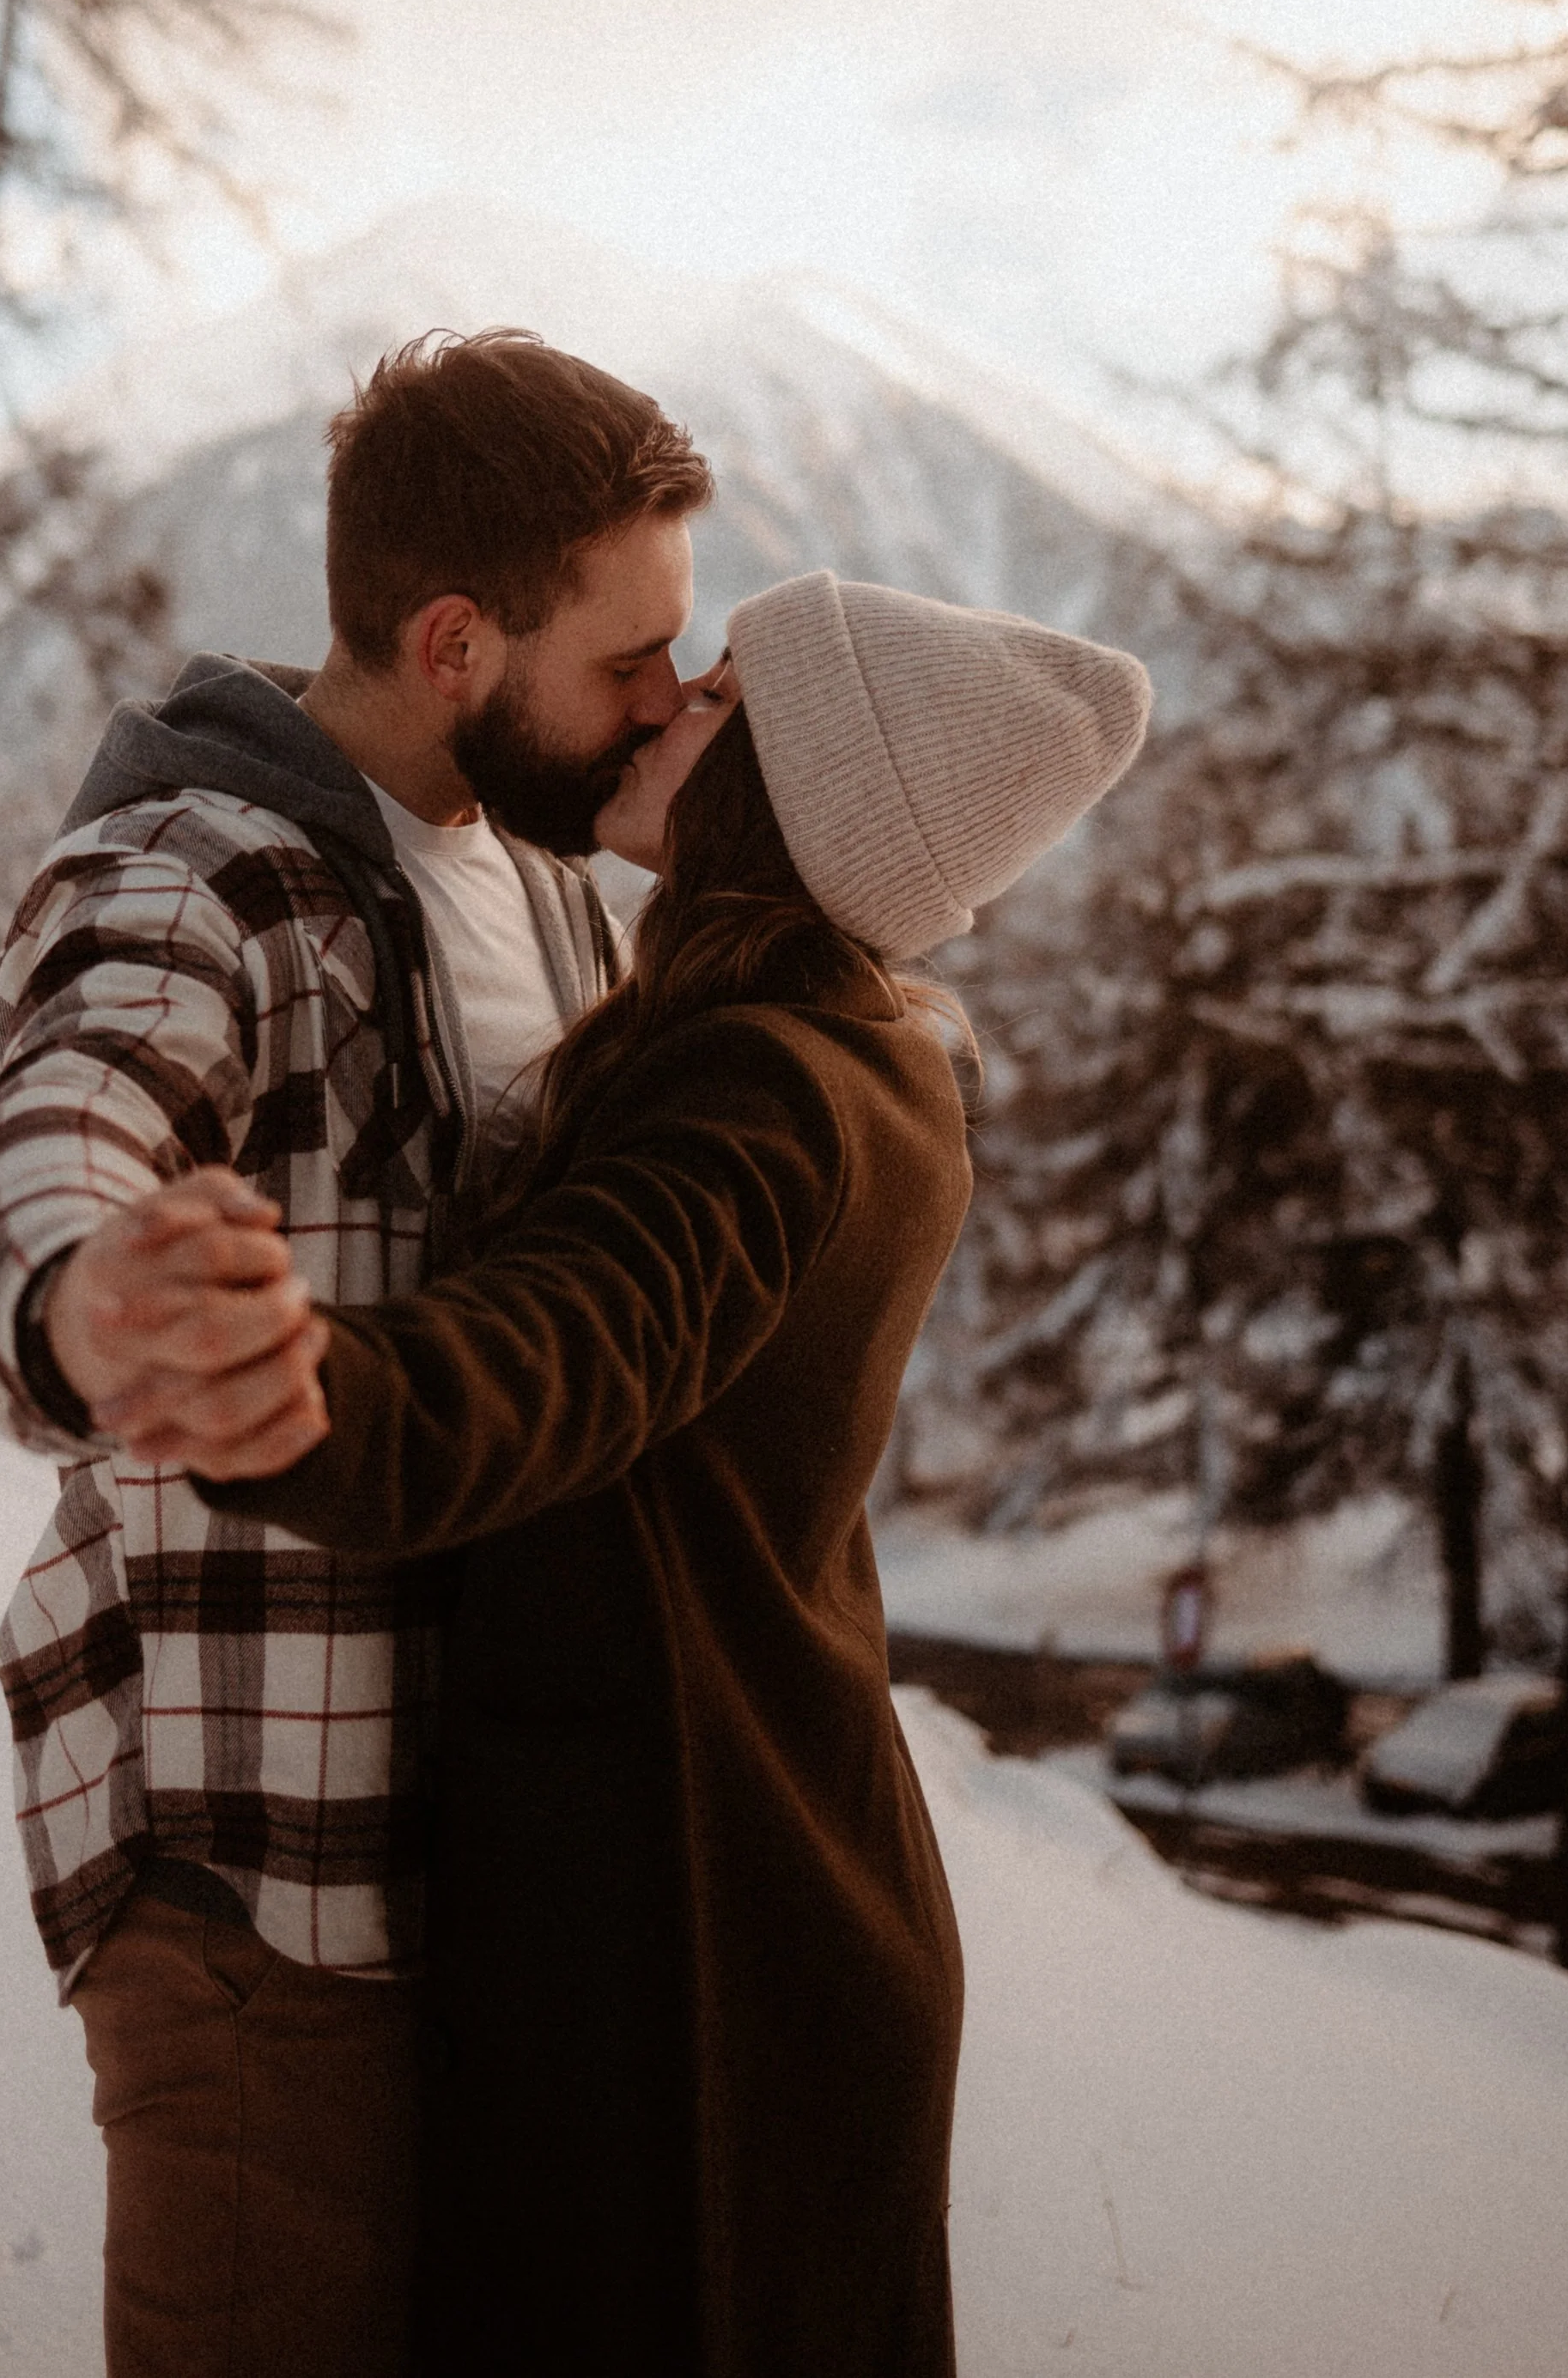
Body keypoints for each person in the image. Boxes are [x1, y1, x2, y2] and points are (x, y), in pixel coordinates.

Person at [75, 570, 1153, 2378]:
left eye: (717, 697)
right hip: (744, 1861)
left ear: (801, 794)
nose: (660, 709)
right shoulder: (851, 1048)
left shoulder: (764, 1080)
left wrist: (281, 1385)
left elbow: (569, 1349)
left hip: (690, 1928)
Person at [0, 327, 714, 2378]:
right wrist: (83, 1298)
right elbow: (72, 1106)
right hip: (258, 1885)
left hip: (495, 1861)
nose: (663, 692)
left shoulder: (548, 890)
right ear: (456, 641)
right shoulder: (193, 870)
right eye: (623, 655)